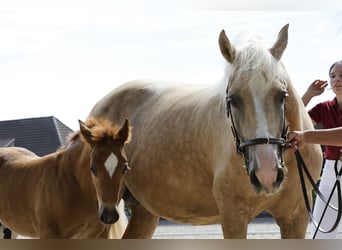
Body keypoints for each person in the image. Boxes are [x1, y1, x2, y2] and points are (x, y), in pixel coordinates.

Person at [289, 60, 342, 239]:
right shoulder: (324, 108)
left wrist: (307, 137)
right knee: (320, 236)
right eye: (333, 76)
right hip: (331, 173)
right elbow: (294, 122)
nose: (336, 80)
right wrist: (309, 94)